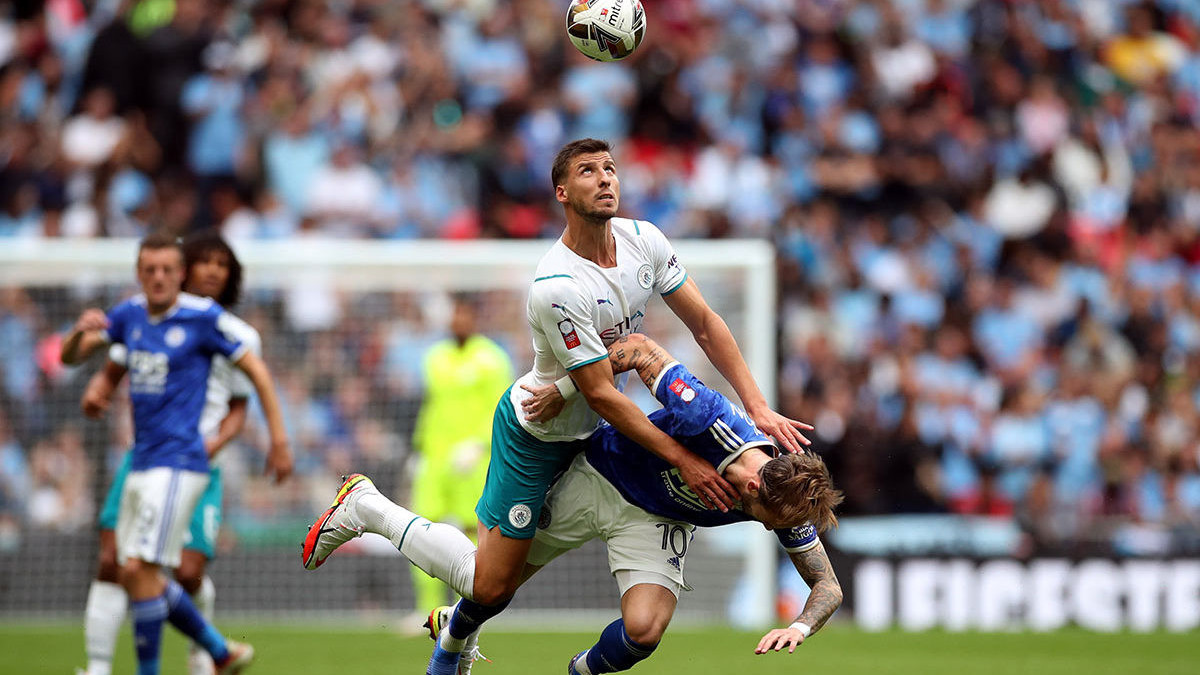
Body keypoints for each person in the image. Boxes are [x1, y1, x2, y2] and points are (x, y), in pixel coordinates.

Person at [407, 137, 811, 675]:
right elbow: (603, 387)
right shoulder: (557, 284)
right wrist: (683, 460)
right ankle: (369, 511)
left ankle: (476, 634)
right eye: (587, 171)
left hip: (598, 431)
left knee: (627, 624)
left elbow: (703, 326)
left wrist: (758, 406)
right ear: (561, 191)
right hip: (542, 431)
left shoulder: (645, 241)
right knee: (491, 583)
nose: (605, 179)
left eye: (611, 169)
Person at [302, 333, 841, 674]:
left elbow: (827, 586)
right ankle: (367, 506)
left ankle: (575, 672)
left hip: (659, 519)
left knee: (645, 631)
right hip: (598, 477)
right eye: (773, 523)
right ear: (753, 489)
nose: (780, 532)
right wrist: (566, 388)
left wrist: (798, 626)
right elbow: (639, 348)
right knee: (485, 583)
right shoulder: (710, 419)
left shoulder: (783, 499)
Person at [61, 232, 293, 675]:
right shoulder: (133, 315)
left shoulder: (217, 325)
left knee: (174, 571)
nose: (209, 270)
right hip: (141, 457)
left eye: (219, 264)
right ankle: (110, 665)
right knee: (123, 565)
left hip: (188, 460)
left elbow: (246, 395)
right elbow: (102, 359)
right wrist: (94, 374)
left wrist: (273, 441)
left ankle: (207, 653)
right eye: (152, 270)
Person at [409, 294, 513, 620]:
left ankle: (464, 613)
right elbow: (431, 406)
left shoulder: (492, 359)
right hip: (435, 458)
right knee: (420, 529)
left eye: (464, 315)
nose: (458, 321)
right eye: (454, 314)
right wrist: (419, 449)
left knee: (472, 532)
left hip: (473, 459)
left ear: (475, 319)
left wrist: (478, 445)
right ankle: (426, 611)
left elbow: (501, 408)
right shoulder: (435, 357)